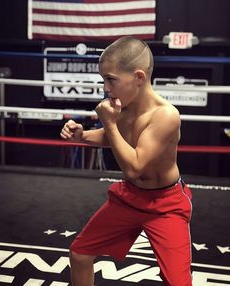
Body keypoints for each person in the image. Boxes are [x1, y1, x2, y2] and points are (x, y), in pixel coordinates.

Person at [60, 36, 193, 286]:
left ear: (139, 77)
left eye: (111, 79)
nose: (106, 88)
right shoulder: (125, 106)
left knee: (178, 283)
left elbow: (134, 167)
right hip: (130, 198)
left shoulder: (166, 115)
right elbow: (119, 138)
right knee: (79, 254)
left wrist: (109, 123)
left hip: (165, 205)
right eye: (103, 80)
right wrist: (81, 135)